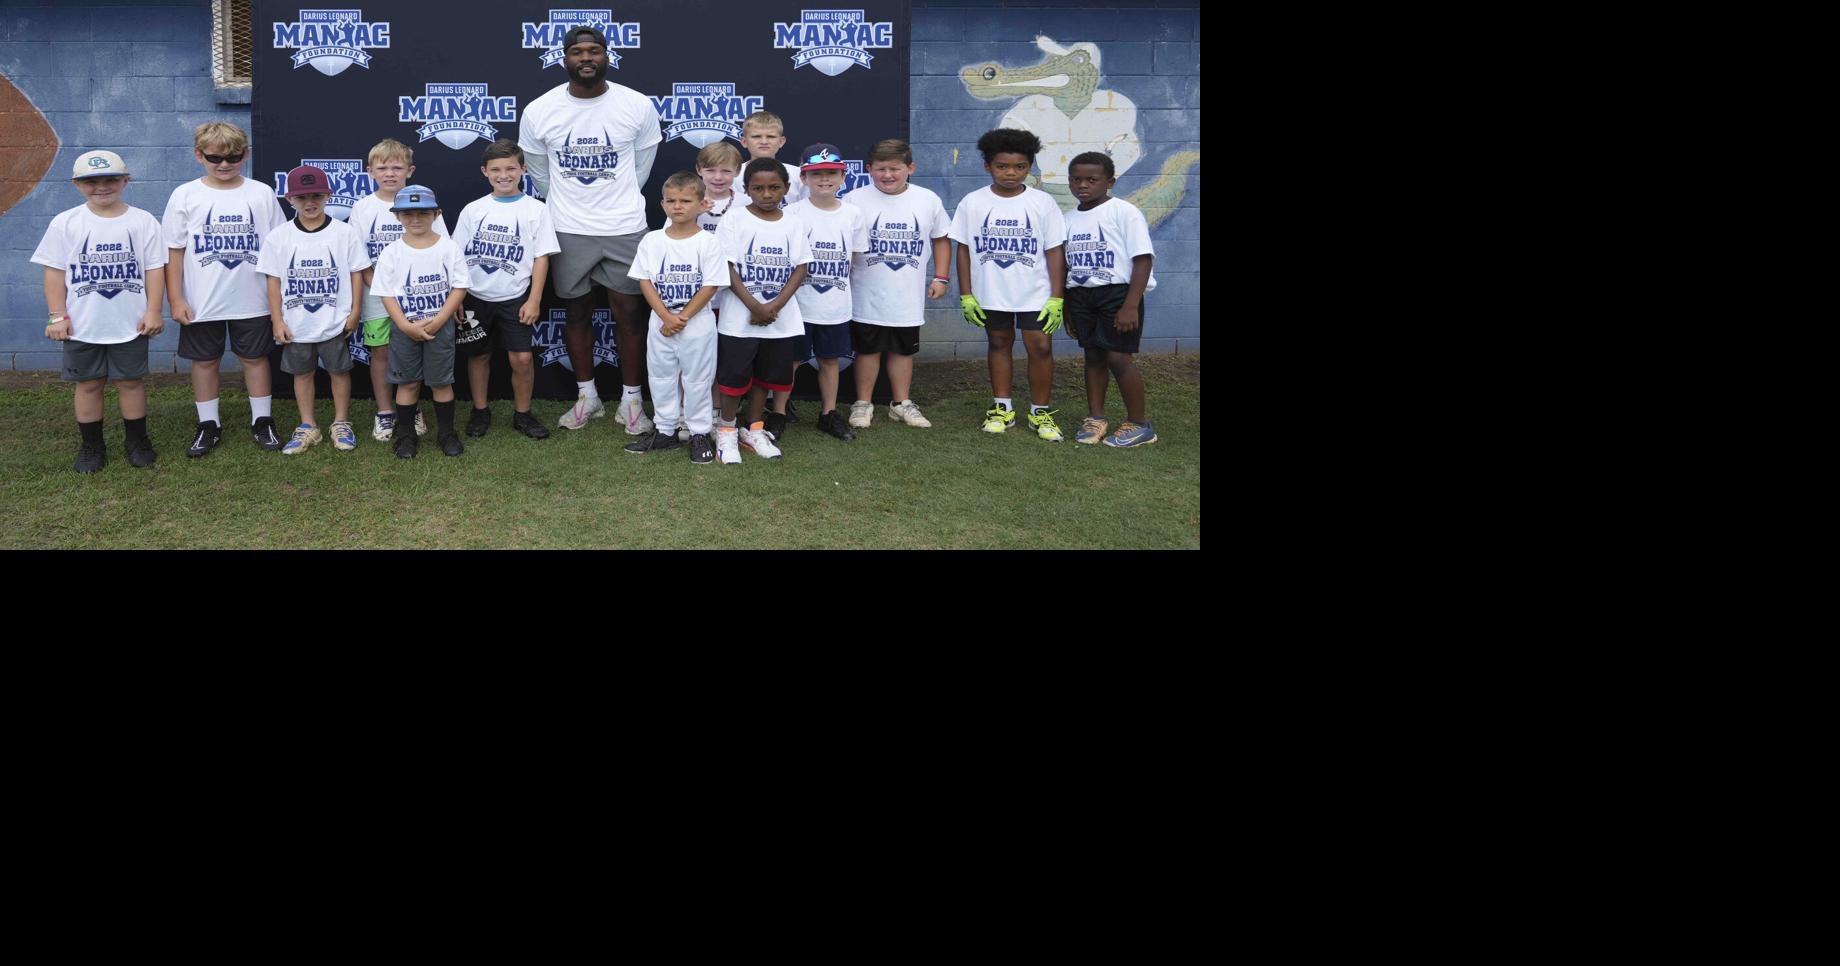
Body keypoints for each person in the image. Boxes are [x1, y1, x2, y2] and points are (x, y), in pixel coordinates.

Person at [517, 25, 662, 435]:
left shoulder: (635, 105)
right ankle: (588, 397)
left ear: (606, 56)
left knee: (630, 313)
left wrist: (614, 199)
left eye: (594, 51)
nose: (586, 58)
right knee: (575, 311)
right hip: (566, 227)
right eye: (577, 51)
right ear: (563, 58)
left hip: (624, 226)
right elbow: (541, 174)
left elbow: (641, 169)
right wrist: (568, 202)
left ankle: (631, 402)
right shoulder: (540, 110)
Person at [33, 150, 167, 472]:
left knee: (130, 382)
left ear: (126, 180)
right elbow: (54, 272)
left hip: (130, 322)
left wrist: (154, 311)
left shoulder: (142, 221)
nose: (102, 187)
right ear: (77, 184)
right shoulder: (67, 222)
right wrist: (57, 315)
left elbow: (154, 269)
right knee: (89, 384)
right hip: (82, 324)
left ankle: (136, 440)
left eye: (110, 179)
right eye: (91, 181)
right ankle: (92, 446)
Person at [162, 122, 286, 455]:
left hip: (253, 298)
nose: (224, 165)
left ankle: (262, 421)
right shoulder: (185, 195)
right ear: (198, 155)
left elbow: (278, 249)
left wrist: (279, 302)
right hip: (201, 300)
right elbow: (173, 251)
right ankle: (208, 425)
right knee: (204, 362)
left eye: (233, 157)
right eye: (215, 158)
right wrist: (175, 298)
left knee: (256, 358)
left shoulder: (260, 193)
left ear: (245, 155)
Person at [950, 128, 1067, 441]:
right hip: (991, 292)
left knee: (1040, 347)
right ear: (988, 166)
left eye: (1020, 167)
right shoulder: (972, 202)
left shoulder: (1043, 203)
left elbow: (1055, 251)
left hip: (1036, 293)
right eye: (1002, 166)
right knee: (999, 343)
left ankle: (1040, 412)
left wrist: (1057, 297)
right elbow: (962, 249)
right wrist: (966, 294)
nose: (1011, 173)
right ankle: (1002, 408)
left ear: (1030, 167)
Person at [451, 139, 560, 441]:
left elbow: (542, 257)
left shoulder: (536, 209)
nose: (504, 175)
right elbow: (455, 255)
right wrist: (456, 297)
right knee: (478, 355)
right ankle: (480, 410)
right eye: (496, 169)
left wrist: (535, 299)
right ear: (485, 171)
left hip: (516, 296)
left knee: (522, 359)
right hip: (475, 295)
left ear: (523, 169)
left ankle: (522, 414)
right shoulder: (474, 210)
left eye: (511, 168)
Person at [262, 165, 370, 454]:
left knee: (339, 371)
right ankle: (308, 425)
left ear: (328, 196)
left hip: (334, 319)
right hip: (297, 323)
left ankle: (341, 422)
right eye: (302, 197)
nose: (310, 202)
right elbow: (273, 280)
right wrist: (276, 319)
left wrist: (356, 310)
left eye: (317, 196)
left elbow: (356, 273)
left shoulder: (343, 233)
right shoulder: (279, 236)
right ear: (290, 200)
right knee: (303, 373)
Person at [843, 138, 950, 430]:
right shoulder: (854, 199)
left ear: (910, 168)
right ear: (869, 169)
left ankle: (900, 403)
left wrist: (941, 276)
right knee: (868, 349)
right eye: (880, 169)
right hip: (866, 291)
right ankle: (863, 403)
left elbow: (941, 238)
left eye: (895, 169)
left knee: (903, 350)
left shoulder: (927, 200)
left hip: (907, 293)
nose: (887, 175)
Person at [712, 159, 811, 465]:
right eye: (758, 188)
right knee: (733, 379)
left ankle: (753, 428)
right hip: (739, 319)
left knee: (765, 379)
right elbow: (727, 267)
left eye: (774, 187)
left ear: (787, 188)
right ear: (746, 189)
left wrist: (774, 306)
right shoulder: (734, 220)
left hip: (779, 320)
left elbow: (801, 267)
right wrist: (755, 306)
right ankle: (726, 429)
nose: (766, 194)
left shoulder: (793, 222)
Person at [623, 172, 726, 463]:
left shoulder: (708, 242)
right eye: (671, 201)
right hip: (661, 322)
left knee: (697, 380)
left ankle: (699, 432)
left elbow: (711, 284)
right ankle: (666, 430)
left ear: (702, 204)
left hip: (697, 323)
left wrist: (682, 318)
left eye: (685, 200)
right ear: (663, 204)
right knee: (661, 377)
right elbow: (645, 281)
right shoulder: (652, 241)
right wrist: (666, 316)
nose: (677, 206)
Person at [350, 138, 448, 442]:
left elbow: (444, 250)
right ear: (370, 171)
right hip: (378, 297)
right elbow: (360, 259)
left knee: (414, 352)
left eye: (397, 167)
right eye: (382, 167)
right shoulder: (363, 208)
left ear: (410, 170)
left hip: (423, 298)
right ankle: (385, 412)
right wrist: (385, 291)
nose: (390, 173)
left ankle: (411, 409)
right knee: (381, 352)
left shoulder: (426, 204)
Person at [1064, 152, 1158, 448]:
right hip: (1081, 294)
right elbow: (1065, 266)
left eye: (1092, 179)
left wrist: (1131, 304)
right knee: (1093, 356)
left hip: (1118, 293)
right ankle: (1096, 418)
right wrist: (1068, 309)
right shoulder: (1067, 219)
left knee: (1118, 357)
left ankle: (1140, 424)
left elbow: (1142, 260)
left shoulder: (1124, 211)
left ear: (1110, 181)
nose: (1083, 185)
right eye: (1076, 179)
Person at [370, 186, 469, 459]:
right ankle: (406, 436)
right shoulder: (391, 252)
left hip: (441, 326)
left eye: (423, 213)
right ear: (398, 216)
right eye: (408, 213)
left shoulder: (449, 248)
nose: (416, 219)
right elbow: (386, 293)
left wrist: (439, 320)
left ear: (436, 214)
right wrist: (403, 325)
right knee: (408, 383)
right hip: (405, 327)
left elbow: (459, 288)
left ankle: (447, 433)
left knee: (440, 382)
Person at [785, 143, 868, 441]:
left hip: (834, 303)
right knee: (791, 360)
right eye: (816, 173)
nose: (824, 179)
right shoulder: (792, 213)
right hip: (797, 304)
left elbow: (855, 258)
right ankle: (779, 412)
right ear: (804, 178)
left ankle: (828, 413)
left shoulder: (853, 214)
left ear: (843, 176)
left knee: (829, 360)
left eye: (831, 173)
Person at [694, 140, 745, 235]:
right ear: (699, 169)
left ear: (737, 171)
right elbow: (672, 235)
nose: (718, 177)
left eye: (726, 171)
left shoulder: (747, 203)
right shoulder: (686, 202)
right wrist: (691, 215)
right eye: (710, 170)